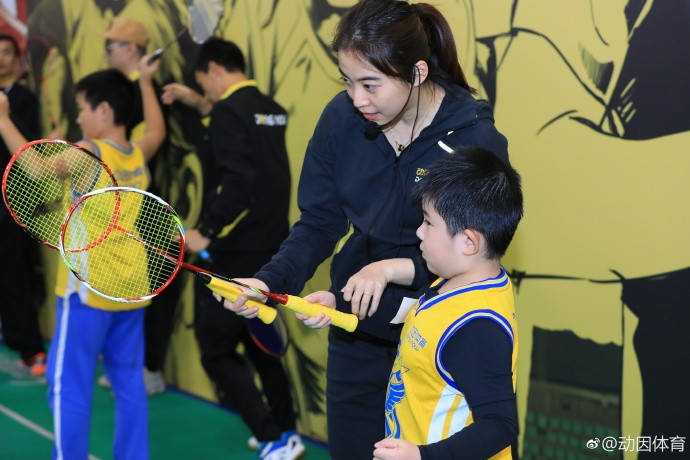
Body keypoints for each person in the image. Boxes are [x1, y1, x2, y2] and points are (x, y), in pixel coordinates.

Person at [222, 1, 510, 459]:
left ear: (416, 72)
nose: (357, 99)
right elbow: (318, 222)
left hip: (438, 339)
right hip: (355, 327)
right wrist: (270, 282)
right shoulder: (342, 121)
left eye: (370, 84)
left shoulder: (473, 140)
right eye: (348, 81)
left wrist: (393, 268)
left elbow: (478, 249)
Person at [0, 58, 165, 459]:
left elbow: (37, 171)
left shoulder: (88, 151)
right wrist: (146, 83)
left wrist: (2, 120)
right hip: (131, 288)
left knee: (67, 385)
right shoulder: (137, 153)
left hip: (87, 292)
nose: (78, 117)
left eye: (82, 109)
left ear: (104, 111)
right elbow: (157, 130)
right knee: (127, 383)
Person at [160, 37, 304, 460]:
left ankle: (273, 437)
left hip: (237, 250)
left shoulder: (227, 110)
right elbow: (250, 148)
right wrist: (202, 103)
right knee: (258, 341)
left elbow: (239, 182)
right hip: (273, 246)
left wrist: (206, 230)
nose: (203, 89)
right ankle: (286, 431)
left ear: (213, 69)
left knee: (216, 347)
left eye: (201, 80)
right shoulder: (269, 107)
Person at [368, 147, 522, 459]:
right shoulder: (456, 279)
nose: (419, 232)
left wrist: (422, 456)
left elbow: (500, 424)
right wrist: (335, 309)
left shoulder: (477, 327)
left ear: (468, 242)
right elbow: (421, 325)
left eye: (428, 222)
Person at [100, 15, 175, 397]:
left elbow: (154, 137)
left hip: (147, 204)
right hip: (120, 207)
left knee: (150, 290)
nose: (104, 55)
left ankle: (149, 368)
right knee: (124, 286)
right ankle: (125, 364)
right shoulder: (124, 89)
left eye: (109, 47)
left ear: (130, 49)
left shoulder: (145, 89)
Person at [0, 34, 47, 377]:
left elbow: (29, 147)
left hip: (14, 202)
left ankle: (32, 350)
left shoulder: (23, 99)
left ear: (18, 60)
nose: (0, 59)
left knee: (14, 274)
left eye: (6, 53)